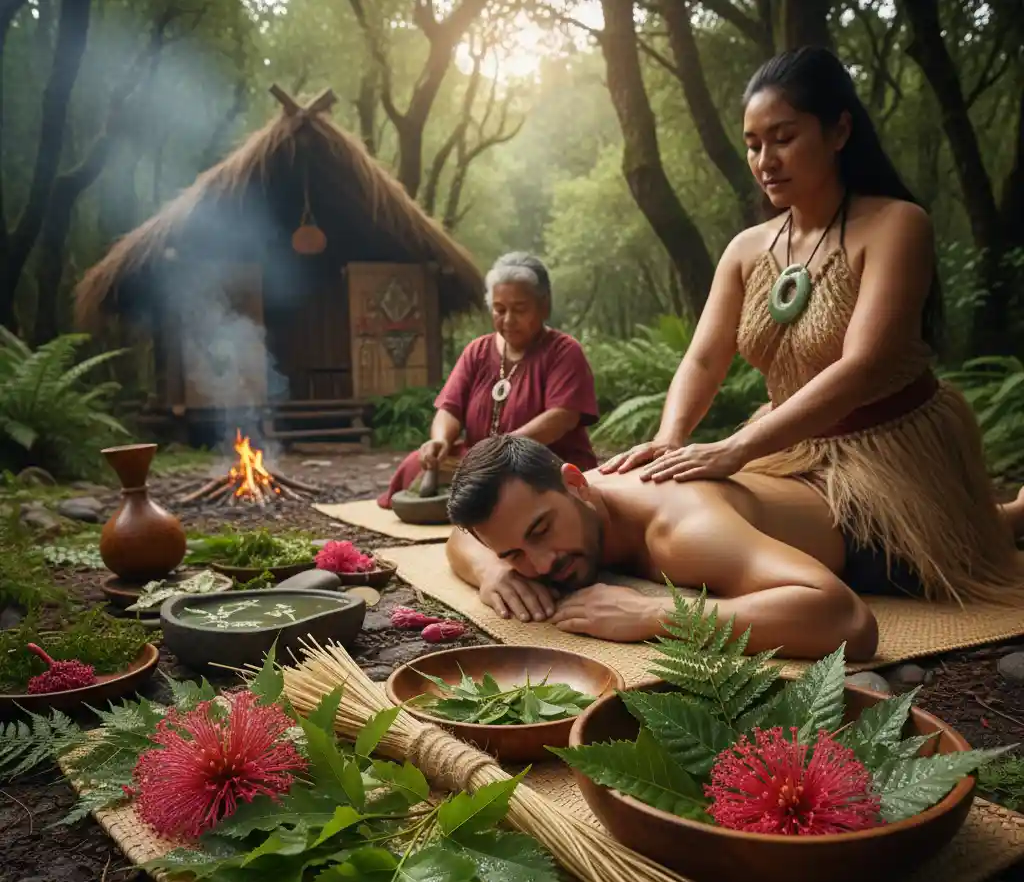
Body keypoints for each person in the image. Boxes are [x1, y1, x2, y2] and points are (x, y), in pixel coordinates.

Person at [599, 47, 1024, 605]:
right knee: (709, 519)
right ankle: (990, 517)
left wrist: (737, 447)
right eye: (753, 145)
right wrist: (670, 437)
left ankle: (1001, 518)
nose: (765, 160)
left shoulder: (897, 224)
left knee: (895, 570)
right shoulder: (746, 249)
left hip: (888, 446)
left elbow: (862, 367)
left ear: (839, 131)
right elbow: (703, 359)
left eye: (783, 138)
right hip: (787, 444)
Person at [444, 435, 889, 661]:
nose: (541, 565)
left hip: (867, 531)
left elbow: (848, 620)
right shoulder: (553, 504)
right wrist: (492, 571)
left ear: (576, 484)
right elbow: (461, 535)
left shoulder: (686, 532)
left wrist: (654, 616)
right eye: (513, 553)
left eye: (541, 531)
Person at [377, 252, 599, 508]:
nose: (508, 320)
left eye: (519, 309)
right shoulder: (477, 351)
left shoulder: (564, 351)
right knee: (415, 465)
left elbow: (562, 417)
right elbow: (450, 408)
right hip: (480, 460)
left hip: (543, 462)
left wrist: (501, 451)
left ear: (544, 305)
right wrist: (441, 440)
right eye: (499, 309)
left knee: (512, 487)